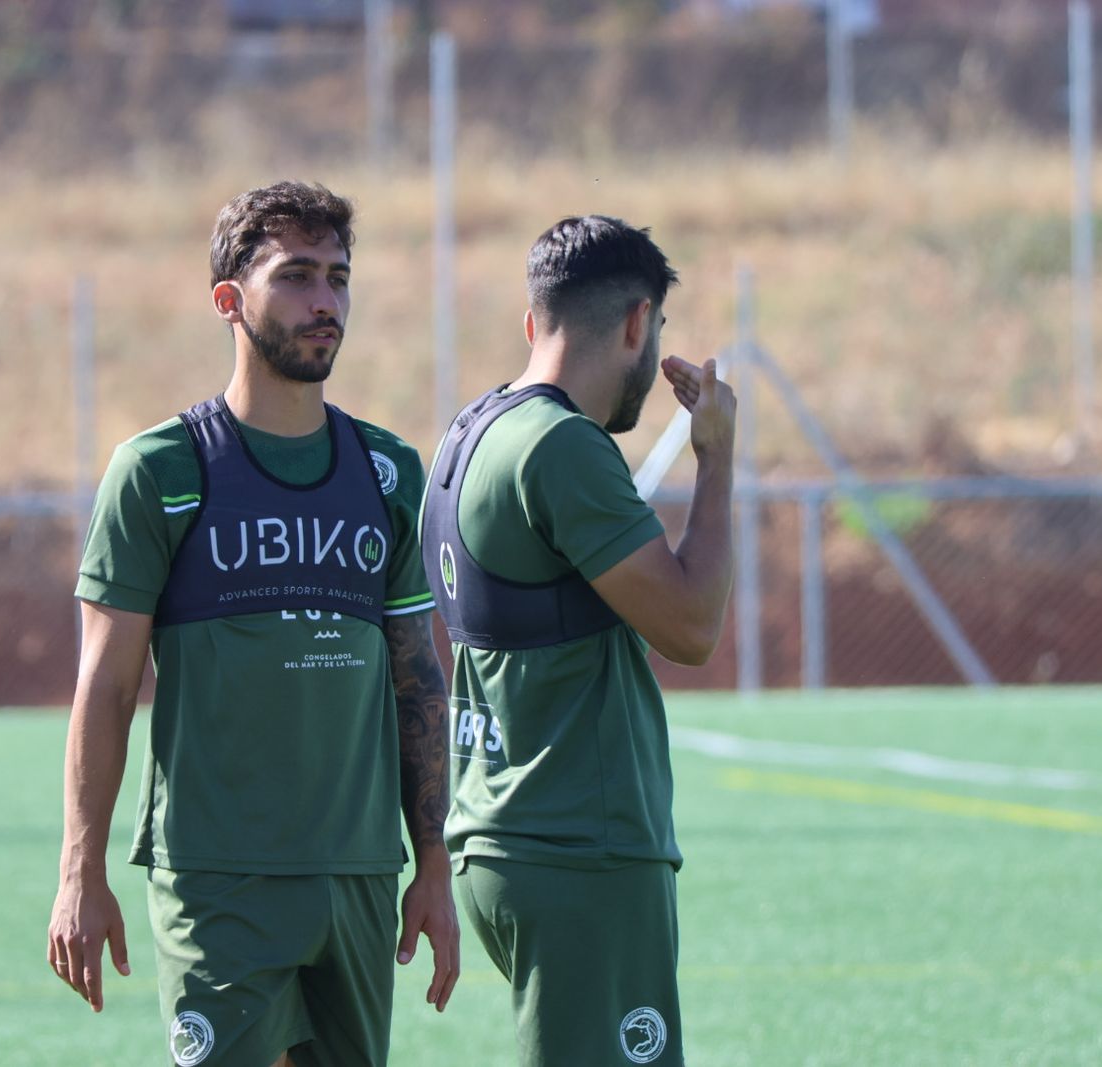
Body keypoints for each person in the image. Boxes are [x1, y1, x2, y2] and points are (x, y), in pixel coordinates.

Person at [47, 181, 459, 1067]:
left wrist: (433, 858)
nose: (326, 302)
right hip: (218, 879)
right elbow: (106, 684)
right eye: (298, 276)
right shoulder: (160, 468)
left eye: (340, 279)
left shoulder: (388, 471)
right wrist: (79, 868)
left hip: (358, 873)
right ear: (230, 301)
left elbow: (418, 675)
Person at [419, 214, 736, 1066]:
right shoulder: (563, 447)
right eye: (659, 328)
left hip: (498, 830)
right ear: (638, 324)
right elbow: (693, 625)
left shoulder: (468, 433)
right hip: (579, 845)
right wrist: (717, 460)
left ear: (535, 323)